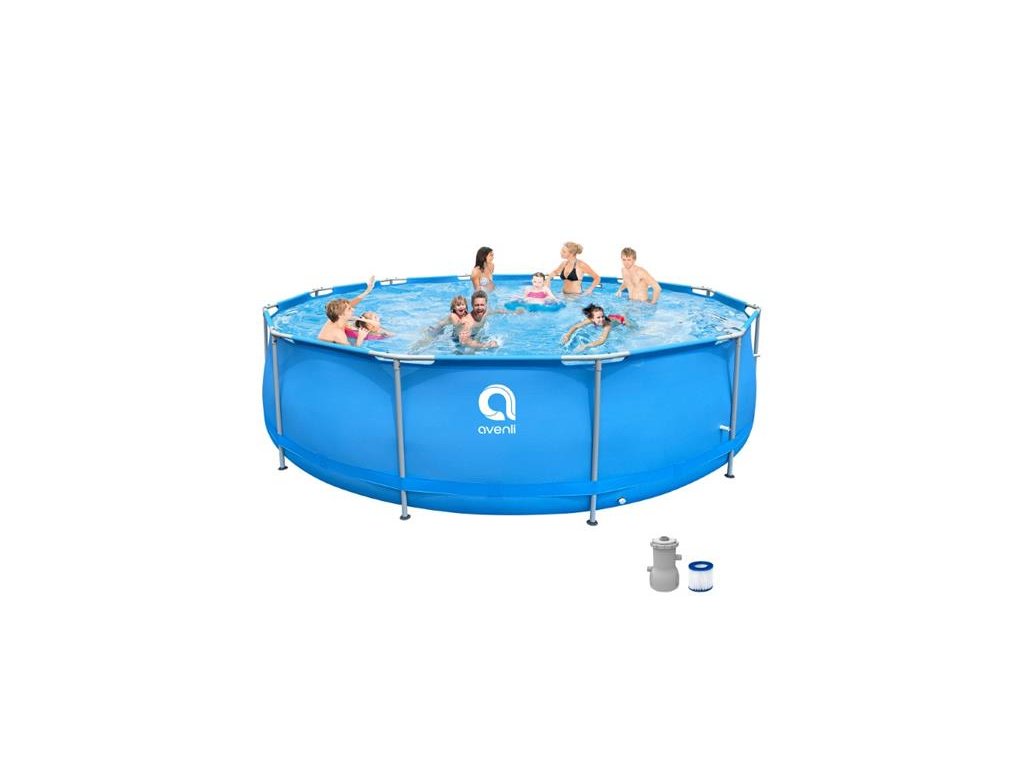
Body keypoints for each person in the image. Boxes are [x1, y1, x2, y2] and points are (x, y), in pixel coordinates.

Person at [317, 276, 376, 344]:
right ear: (341, 314)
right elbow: (353, 350)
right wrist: (360, 338)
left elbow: (351, 303)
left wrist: (367, 291)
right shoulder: (339, 335)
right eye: (349, 309)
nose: (353, 309)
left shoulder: (335, 316)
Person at [561, 303, 627, 351]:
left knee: (628, 324)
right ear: (592, 319)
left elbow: (602, 340)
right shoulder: (590, 320)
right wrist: (568, 335)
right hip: (610, 317)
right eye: (598, 317)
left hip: (621, 319)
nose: (601, 319)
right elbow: (576, 326)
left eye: (602, 316)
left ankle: (624, 313)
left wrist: (586, 346)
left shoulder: (607, 325)